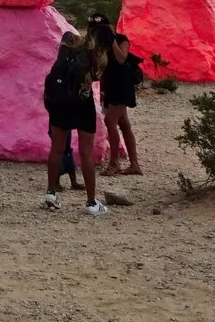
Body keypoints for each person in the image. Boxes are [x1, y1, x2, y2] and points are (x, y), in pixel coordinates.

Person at [41, 30, 105, 215]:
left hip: (59, 102)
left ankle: (51, 193)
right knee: (86, 153)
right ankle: (92, 203)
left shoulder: (67, 42)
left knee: (57, 148)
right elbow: (97, 76)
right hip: (82, 103)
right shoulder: (94, 54)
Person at [100, 32, 145, 176]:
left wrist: (113, 41)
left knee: (110, 121)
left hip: (122, 87)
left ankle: (114, 163)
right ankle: (134, 164)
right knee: (124, 125)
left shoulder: (121, 40)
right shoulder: (101, 43)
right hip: (112, 88)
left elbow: (121, 58)